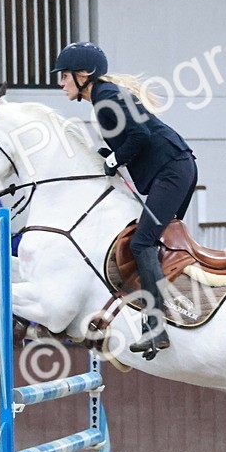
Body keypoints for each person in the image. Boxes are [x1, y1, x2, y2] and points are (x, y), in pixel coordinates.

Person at [53, 41, 197, 359]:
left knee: (142, 243)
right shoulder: (104, 97)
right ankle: (165, 315)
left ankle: (157, 327)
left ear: (83, 74)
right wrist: (111, 155)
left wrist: (114, 160)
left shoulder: (105, 97)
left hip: (171, 171)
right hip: (175, 167)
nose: (60, 83)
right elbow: (136, 135)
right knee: (154, 244)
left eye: (63, 76)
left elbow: (140, 136)